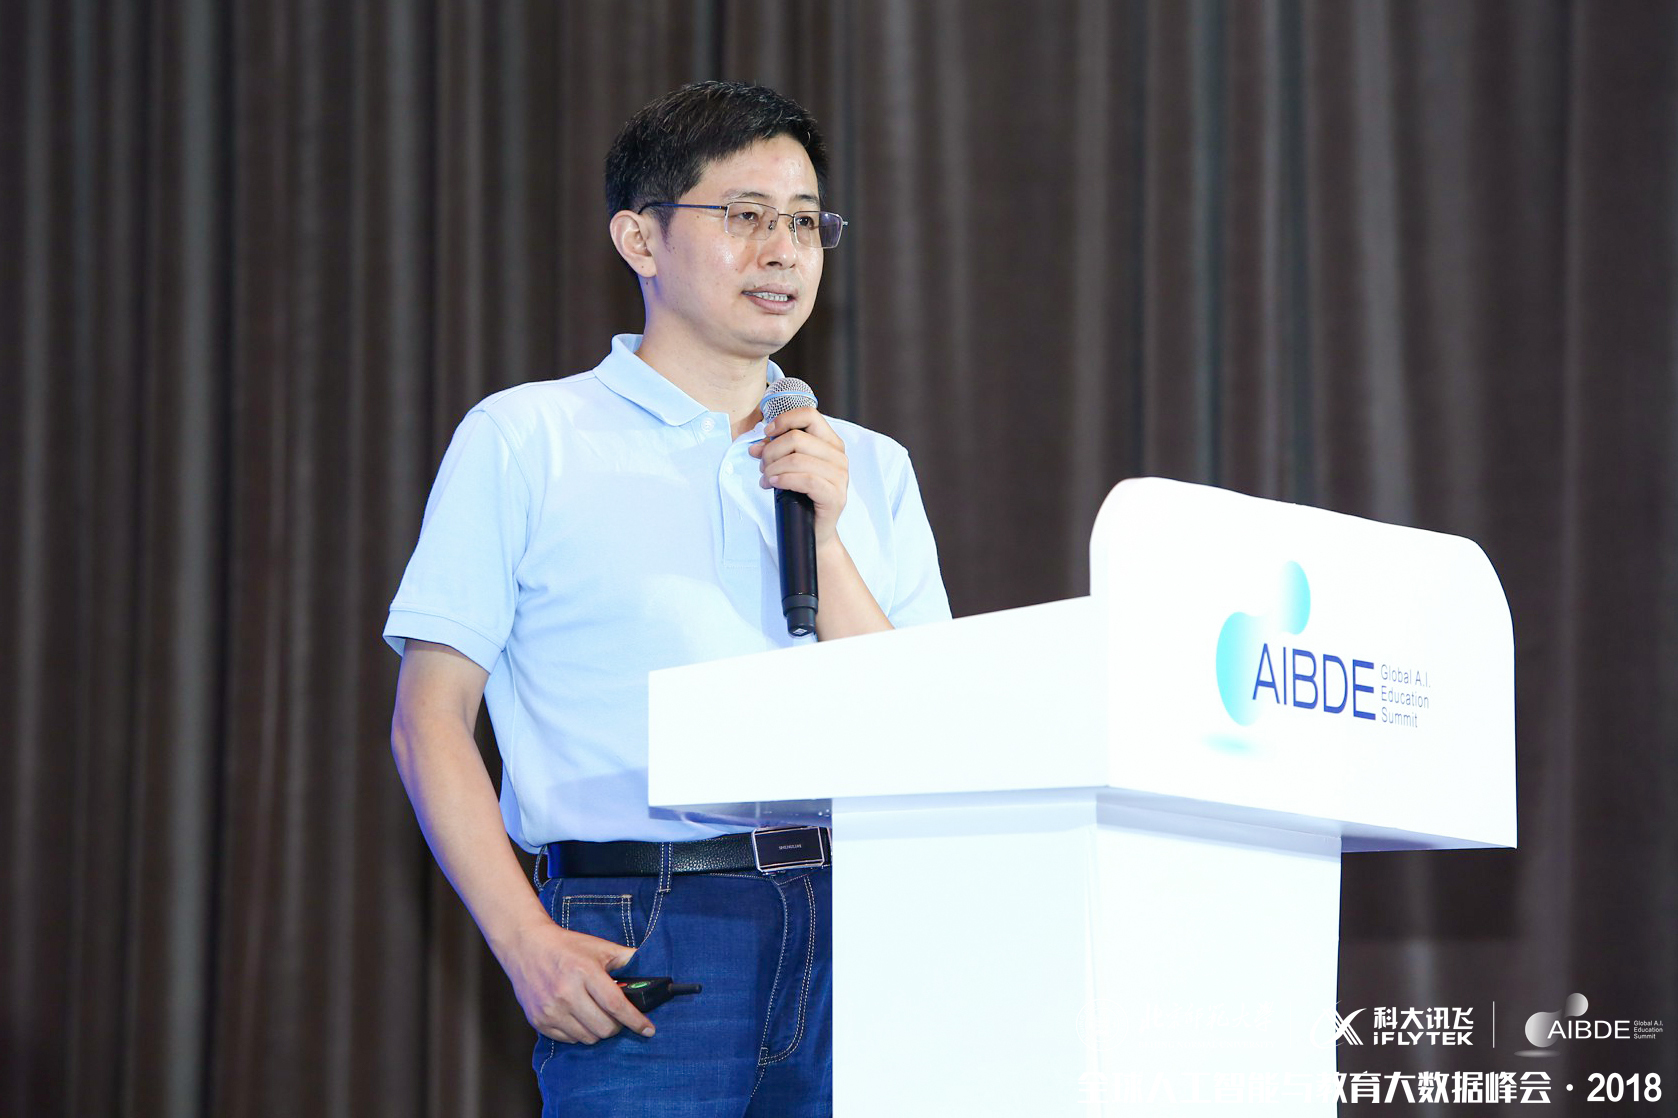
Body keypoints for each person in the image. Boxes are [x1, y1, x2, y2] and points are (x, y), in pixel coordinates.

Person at [384, 80, 949, 1116]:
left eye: (804, 222)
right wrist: (524, 940)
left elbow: (930, 725)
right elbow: (429, 720)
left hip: (864, 923)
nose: (783, 251)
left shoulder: (868, 465)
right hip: (647, 919)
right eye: (745, 216)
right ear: (640, 239)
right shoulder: (528, 438)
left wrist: (825, 540)